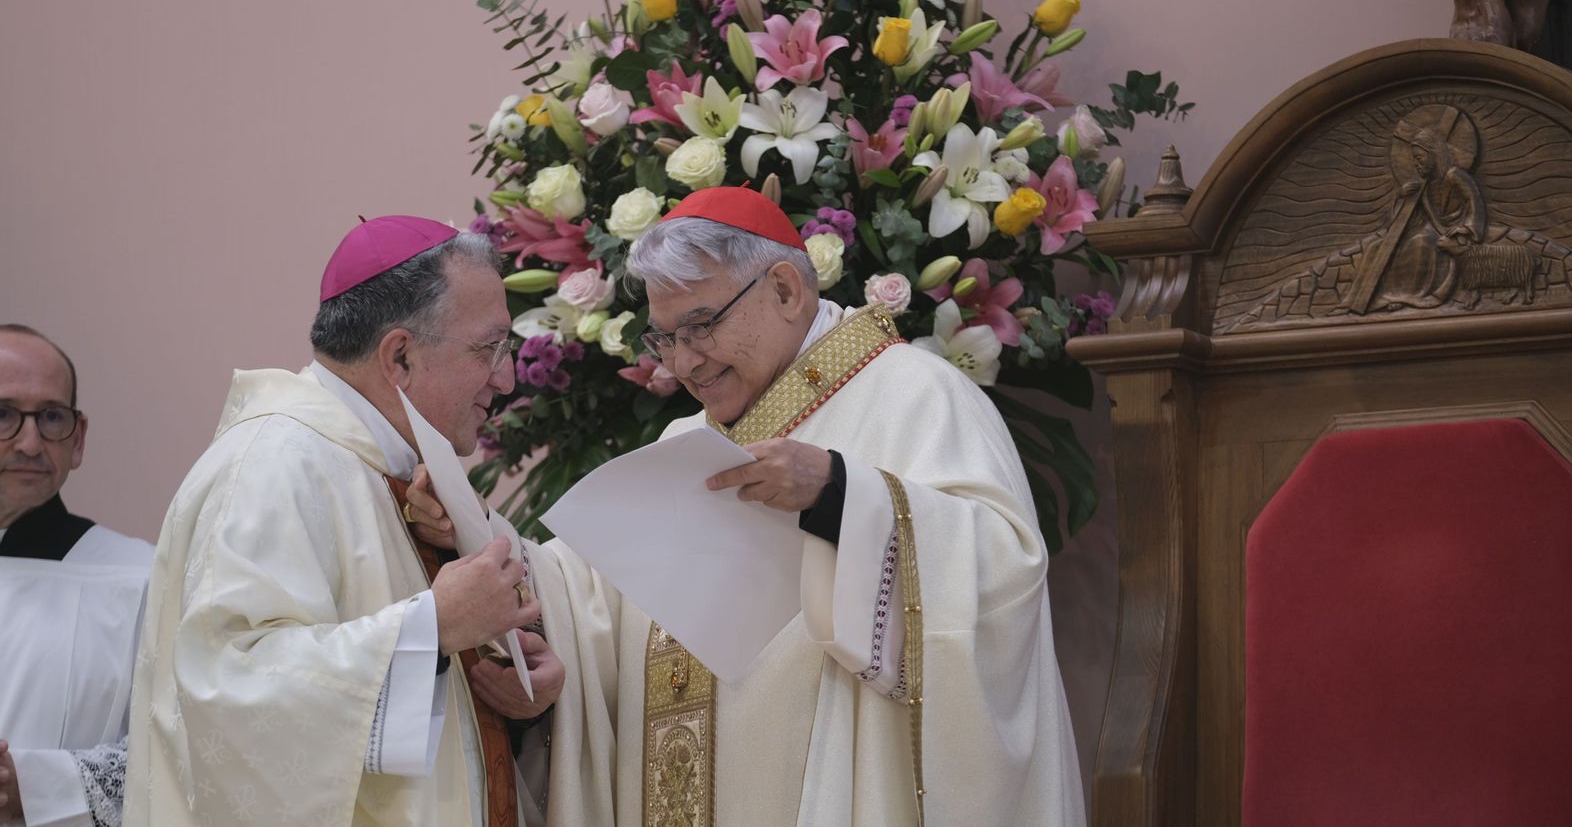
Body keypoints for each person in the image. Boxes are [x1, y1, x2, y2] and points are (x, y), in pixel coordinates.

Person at [412, 187, 1086, 825]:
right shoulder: (687, 441)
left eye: (700, 326)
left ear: (786, 290)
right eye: (664, 338)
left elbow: (1003, 576)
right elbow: (591, 599)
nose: (683, 363)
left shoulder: (915, 393)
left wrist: (839, 493)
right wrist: (472, 530)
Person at [123, 216, 564, 827]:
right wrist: (432, 628)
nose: (507, 377)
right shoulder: (276, 463)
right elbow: (227, 690)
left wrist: (505, 689)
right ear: (400, 355)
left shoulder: (385, 465)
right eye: (488, 348)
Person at [0, 325, 153, 827]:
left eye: (51, 417)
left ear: (78, 438)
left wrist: (36, 789)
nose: (29, 443)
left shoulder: (143, 580)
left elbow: (184, 753)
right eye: (3, 414)